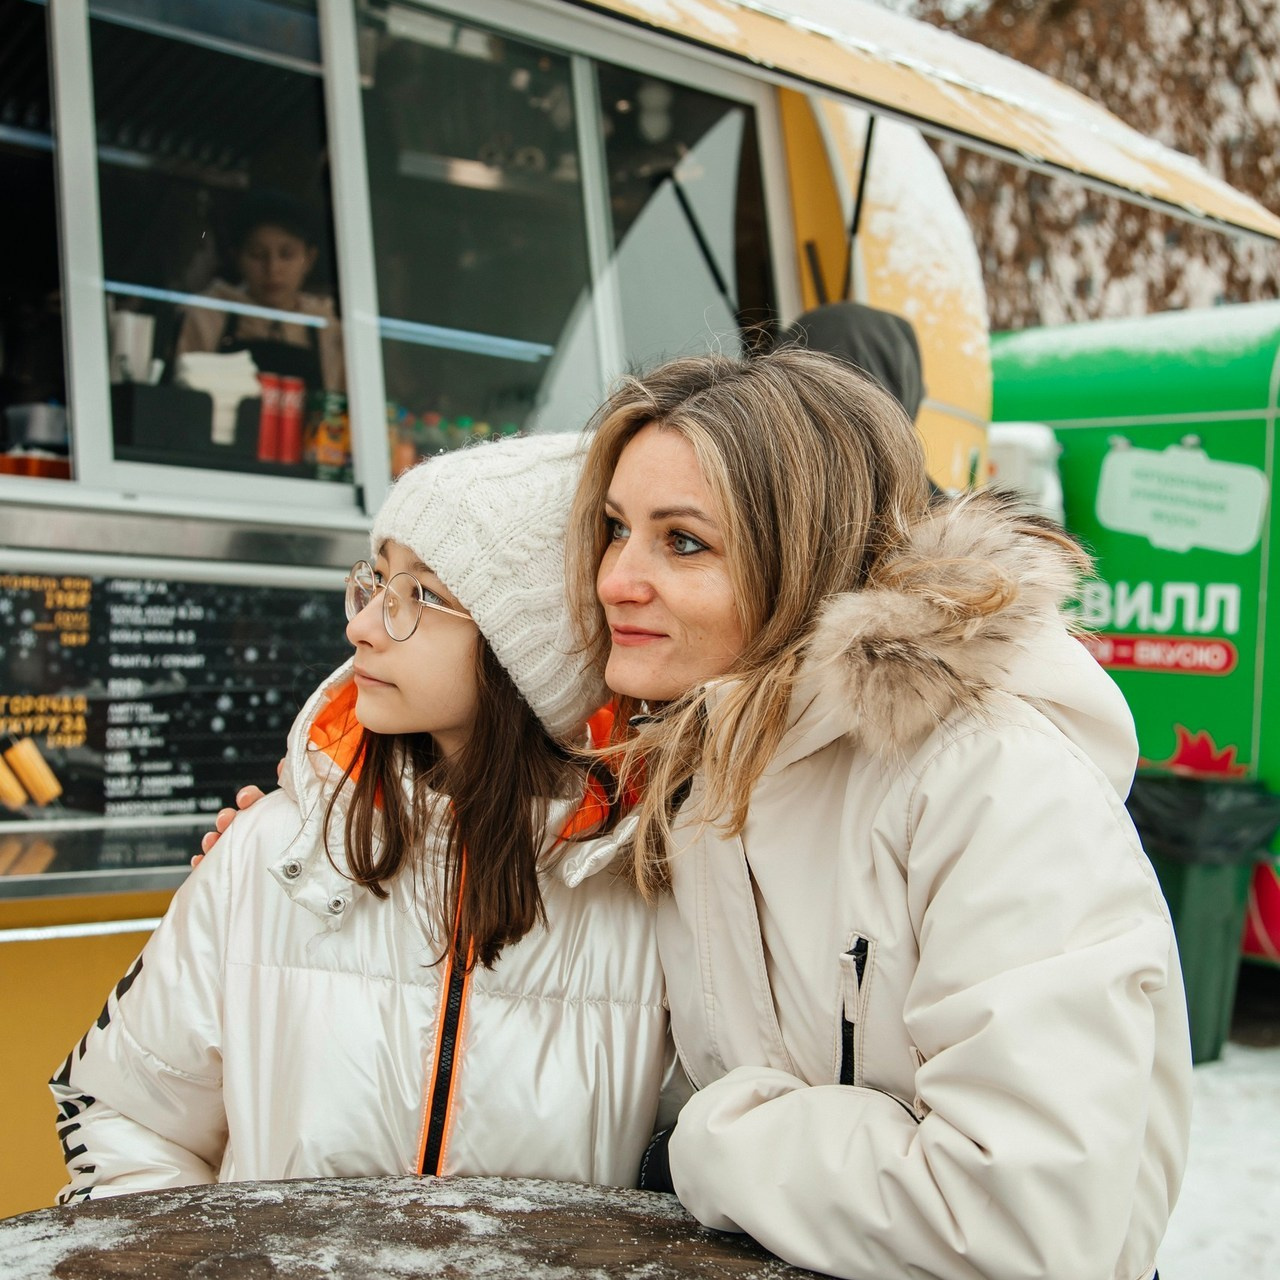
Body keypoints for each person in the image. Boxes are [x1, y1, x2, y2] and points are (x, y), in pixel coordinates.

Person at [561, 347, 1191, 1280]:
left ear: (801, 557)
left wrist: (706, 1144)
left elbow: (1025, 1226)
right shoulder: (701, 777)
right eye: (616, 529)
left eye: (682, 540)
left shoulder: (987, 784)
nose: (618, 577)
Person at [50, 434, 677, 1203]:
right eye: (377, 581)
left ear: (530, 650)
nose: (364, 627)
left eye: (419, 595)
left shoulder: (651, 888)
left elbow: (690, 1184)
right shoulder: (274, 853)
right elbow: (121, 1114)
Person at [175, 189, 344, 398]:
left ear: (309, 259)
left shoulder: (329, 327)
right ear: (237, 257)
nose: (272, 269)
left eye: (287, 255)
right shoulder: (205, 316)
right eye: (257, 255)